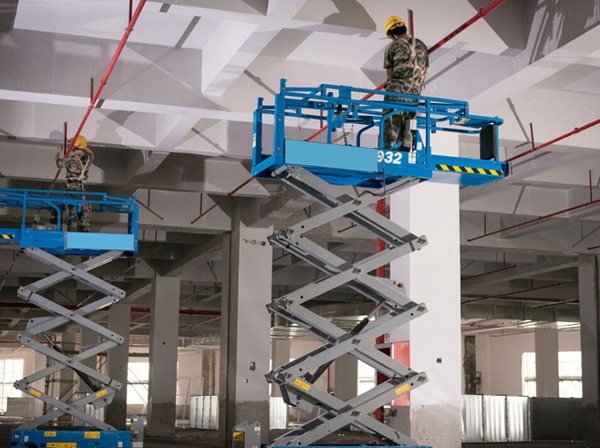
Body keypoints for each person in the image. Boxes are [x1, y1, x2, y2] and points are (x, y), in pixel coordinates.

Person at [383, 16, 429, 151]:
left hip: (395, 92)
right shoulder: (422, 45)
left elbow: (390, 73)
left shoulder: (392, 46)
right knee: (409, 123)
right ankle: (407, 150)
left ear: (391, 35)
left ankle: (390, 150)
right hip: (413, 94)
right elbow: (424, 70)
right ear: (405, 29)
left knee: (392, 122)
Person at [54, 135, 94, 232]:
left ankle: (72, 233)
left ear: (74, 146)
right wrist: (83, 146)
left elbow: (56, 162)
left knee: (71, 214)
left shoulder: (70, 159)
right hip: (84, 190)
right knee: (85, 215)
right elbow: (91, 153)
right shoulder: (88, 158)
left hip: (72, 190)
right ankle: (86, 233)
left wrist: (58, 151)